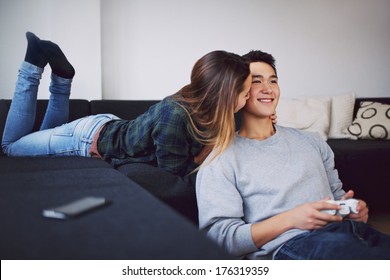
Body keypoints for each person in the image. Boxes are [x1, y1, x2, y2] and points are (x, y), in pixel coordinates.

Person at [196, 50, 390, 259]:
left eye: (273, 81)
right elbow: (219, 238)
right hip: (293, 246)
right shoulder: (220, 160)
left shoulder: (313, 141)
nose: (267, 89)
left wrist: (353, 211)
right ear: (238, 91)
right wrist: (291, 219)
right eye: (256, 81)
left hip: (352, 234)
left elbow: (337, 196)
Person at [1, 32, 253, 176]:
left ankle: (62, 80)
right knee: (10, 147)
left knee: (38, 137)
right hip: (84, 139)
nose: (249, 97)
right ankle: (33, 65)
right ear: (226, 94)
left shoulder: (213, 112)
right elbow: (172, 173)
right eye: (246, 91)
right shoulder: (176, 116)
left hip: (103, 127)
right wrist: (205, 153)